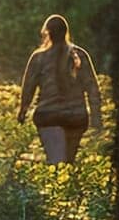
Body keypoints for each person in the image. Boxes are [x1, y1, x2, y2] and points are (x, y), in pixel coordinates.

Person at [17, 14, 102, 163]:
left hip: (48, 116)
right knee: (68, 162)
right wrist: (96, 118)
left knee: (56, 161)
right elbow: (92, 88)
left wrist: (23, 112)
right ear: (66, 32)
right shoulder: (80, 55)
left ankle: (57, 182)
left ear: (47, 32)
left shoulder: (39, 58)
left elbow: (28, 88)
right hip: (76, 117)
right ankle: (68, 183)